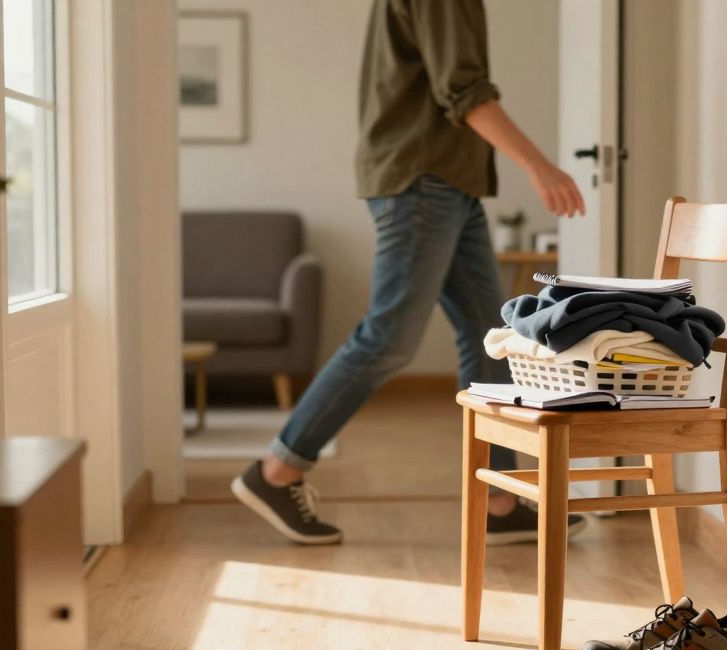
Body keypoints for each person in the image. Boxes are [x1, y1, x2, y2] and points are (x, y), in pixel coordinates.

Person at [230, 0, 588, 545]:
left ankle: (497, 503)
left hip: (447, 183)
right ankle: (278, 470)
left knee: (489, 338)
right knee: (389, 337)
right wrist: (540, 166)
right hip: (425, 181)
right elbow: (464, 91)